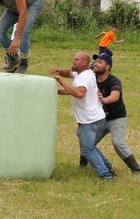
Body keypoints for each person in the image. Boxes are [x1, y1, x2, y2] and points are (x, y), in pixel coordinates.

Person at [49, 52, 115, 180]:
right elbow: (69, 74)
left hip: (90, 120)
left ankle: (106, 175)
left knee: (87, 150)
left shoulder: (85, 77)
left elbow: (79, 93)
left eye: (76, 60)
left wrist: (62, 83)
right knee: (89, 147)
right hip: (94, 118)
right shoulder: (82, 74)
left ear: (84, 62)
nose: (73, 61)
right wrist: (55, 87)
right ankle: (108, 167)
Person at [79, 53, 140, 174]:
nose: (96, 64)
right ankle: (83, 166)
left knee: (118, 143)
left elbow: (115, 96)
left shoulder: (114, 81)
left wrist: (104, 100)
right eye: (96, 61)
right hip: (99, 119)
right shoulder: (91, 78)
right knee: (86, 142)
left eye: (100, 62)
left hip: (116, 118)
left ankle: (136, 170)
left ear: (107, 67)